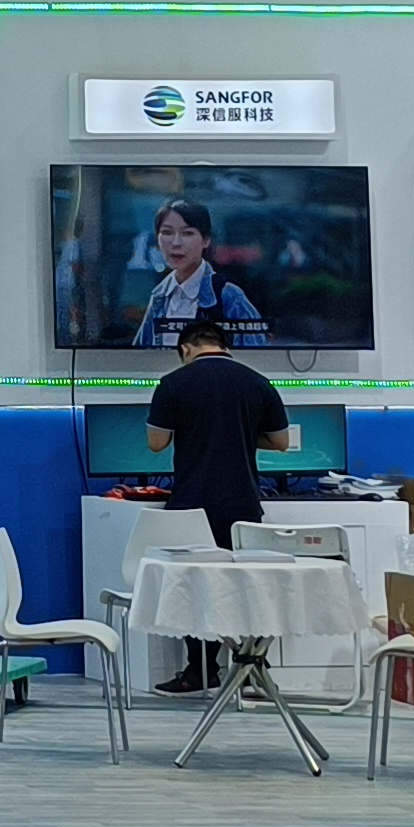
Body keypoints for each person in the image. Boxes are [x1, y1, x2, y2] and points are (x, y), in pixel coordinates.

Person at [141, 315, 300, 695]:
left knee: (194, 588)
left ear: (186, 349)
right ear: (224, 346)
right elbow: (280, 442)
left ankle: (200, 670)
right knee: (245, 586)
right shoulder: (257, 382)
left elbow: (156, 443)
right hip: (242, 502)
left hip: (191, 505)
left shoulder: (173, 383)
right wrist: (240, 434)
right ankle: (253, 670)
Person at [127, 198, 264, 348]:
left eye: (187, 233)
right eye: (167, 232)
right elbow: (141, 355)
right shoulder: (159, 297)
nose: (176, 243)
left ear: (206, 240)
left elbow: (256, 355)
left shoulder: (229, 296)